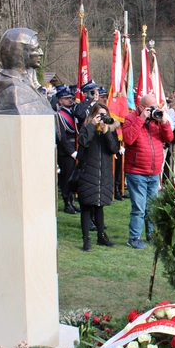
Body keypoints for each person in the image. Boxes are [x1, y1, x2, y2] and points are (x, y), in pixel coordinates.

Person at [122, 94, 174, 249]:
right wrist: (141, 119)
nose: (153, 110)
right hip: (136, 170)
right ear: (141, 107)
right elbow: (129, 139)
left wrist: (164, 122)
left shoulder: (157, 120)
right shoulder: (131, 118)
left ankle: (151, 235)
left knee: (152, 206)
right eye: (150, 107)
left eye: (155, 107)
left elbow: (169, 138)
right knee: (139, 207)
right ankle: (134, 237)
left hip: (154, 172)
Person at [77, 103, 120, 251]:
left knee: (100, 205)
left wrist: (107, 131)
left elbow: (114, 149)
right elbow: (83, 142)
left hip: (104, 173)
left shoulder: (109, 130)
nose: (102, 118)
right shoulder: (87, 127)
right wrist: (92, 125)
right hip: (88, 171)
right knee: (86, 206)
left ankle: (101, 236)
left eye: (105, 115)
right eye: (100, 115)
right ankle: (86, 239)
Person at [55, 86, 79, 214]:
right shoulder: (59, 115)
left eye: (70, 98)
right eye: (66, 98)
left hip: (75, 147)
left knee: (74, 177)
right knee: (67, 178)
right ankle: (66, 202)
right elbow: (61, 137)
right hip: (66, 152)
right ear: (60, 100)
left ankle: (72, 201)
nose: (70, 100)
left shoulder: (73, 112)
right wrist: (71, 152)